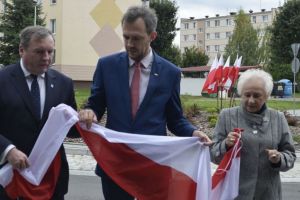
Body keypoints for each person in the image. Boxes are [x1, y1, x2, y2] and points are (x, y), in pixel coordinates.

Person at [79, 5, 211, 200]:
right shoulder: (107, 66)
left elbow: (175, 119)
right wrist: (89, 112)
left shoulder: (170, 72)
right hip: (116, 164)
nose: (130, 44)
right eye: (126, 37)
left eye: (137, 38)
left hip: (153, 165)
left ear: (152, 36)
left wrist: (193, 132)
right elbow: (95, 104)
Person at [0, 26, 78, 199]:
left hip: (51, 179)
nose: (47, 58)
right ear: (22, 50)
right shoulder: (2, 80)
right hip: (10, 177)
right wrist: (8, 150)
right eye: (39, 51)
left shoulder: (63, 84)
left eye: (50, 51)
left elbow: (72, 130)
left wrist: (86, 117)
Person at [210, 69, 296, 200]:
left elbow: (290, 155)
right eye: (247, 95)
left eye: (257, 96)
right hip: (234, 194)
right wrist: (225, 145)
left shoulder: (278, 118)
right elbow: (213, 154)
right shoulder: (226, 116)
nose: (251, 100)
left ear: (266, 96)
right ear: (240, 94)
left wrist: (278, 159)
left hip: (268, 194)